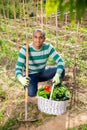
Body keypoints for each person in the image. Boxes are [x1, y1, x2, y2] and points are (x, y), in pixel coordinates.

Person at [15, 29, 65, 97]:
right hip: (30, 75)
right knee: (31, 93)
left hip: (42, 72)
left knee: (61, 70)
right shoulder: (25, 49)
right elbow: (18, 68)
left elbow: (61, 61)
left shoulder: (48, 48)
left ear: (44, 39)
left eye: (40, 37)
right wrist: (21, 78)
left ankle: (55, 88)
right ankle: (29, 84)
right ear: (32, 38)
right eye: (35, 37)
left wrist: (57, 74)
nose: (38, 40)